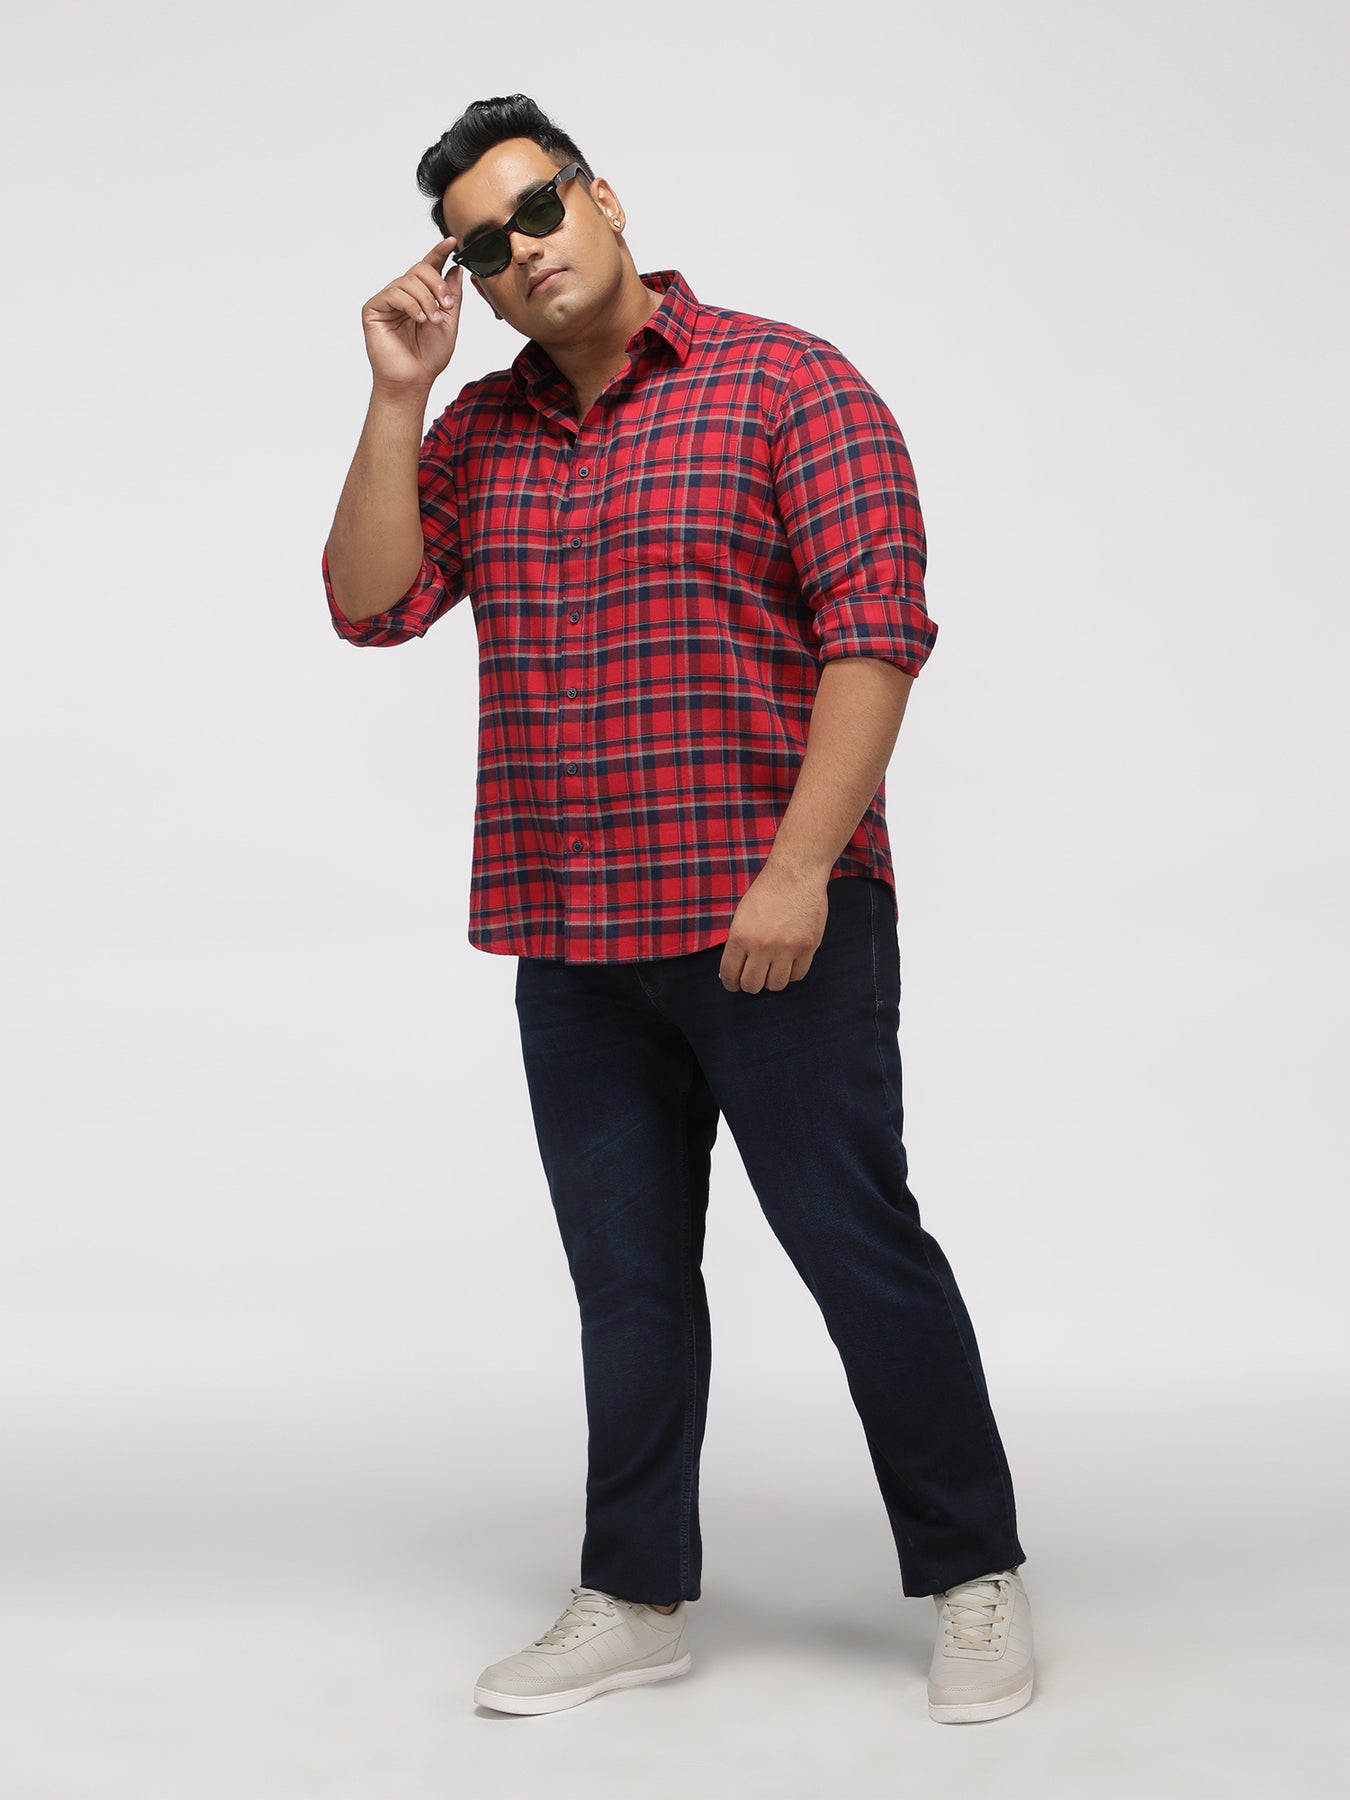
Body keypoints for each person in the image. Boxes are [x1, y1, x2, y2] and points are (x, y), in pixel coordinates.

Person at [321, 93, 1034, 1725]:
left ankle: (973, 1572)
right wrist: (396, 394)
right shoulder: (476, 432)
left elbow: (875, 630)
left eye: (537, 211)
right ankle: (633, 1592)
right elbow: (369, 606)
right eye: (480, 247)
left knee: (856, 1249)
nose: (520, 254)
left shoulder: (786, 382)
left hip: (775, 926)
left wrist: (796, 872)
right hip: (573, 943)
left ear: (604, 198)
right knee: (627, 1284)